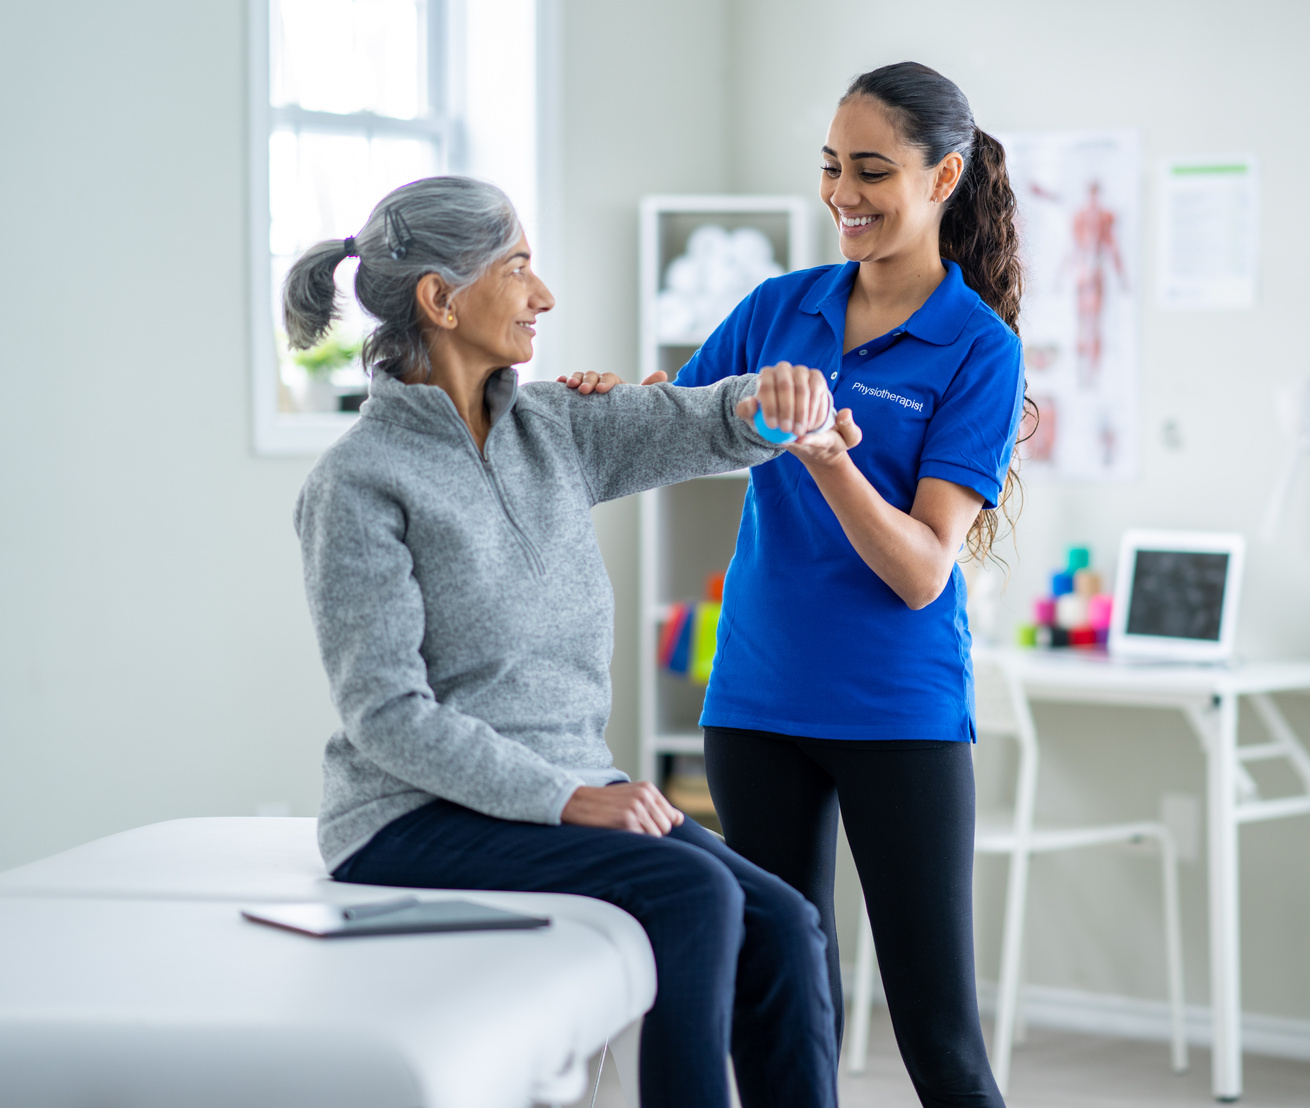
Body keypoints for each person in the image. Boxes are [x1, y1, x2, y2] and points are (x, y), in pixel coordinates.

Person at [285, 175, 848, 1108]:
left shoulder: (553, 428)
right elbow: (386, 715)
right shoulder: (357, 485)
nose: (543, 295)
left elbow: (700, 419)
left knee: (786, 924)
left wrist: (776, 404)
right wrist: (570, 799)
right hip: (409, 816)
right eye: (518, 266)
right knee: (694, 896)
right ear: (441, 298)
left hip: (561, 786)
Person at [673, 62, 1030, 1108]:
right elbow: (678, 434)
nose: (844, 195)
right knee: (781, 1001)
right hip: (757, 698)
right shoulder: (778, 308)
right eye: (832, 167)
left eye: (872, 170)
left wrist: (830, 455)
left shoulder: (977, 347)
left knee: (939, 1035)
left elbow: (924, 571)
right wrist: (615, 401)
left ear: (944, 176)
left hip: (897, 711)